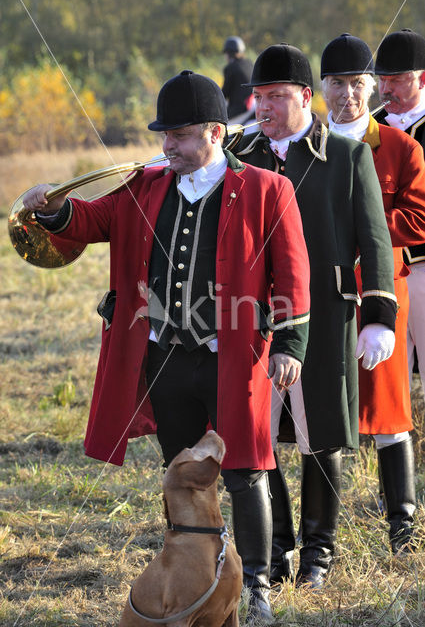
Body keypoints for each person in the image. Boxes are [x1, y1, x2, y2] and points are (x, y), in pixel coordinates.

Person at [23, 69, 311, 620]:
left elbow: (292, 273)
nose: (166, 146)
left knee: (247, 470)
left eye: (178, 135)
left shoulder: (266, 190)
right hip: (166, 359)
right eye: (164, 135)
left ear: (214, 133)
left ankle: (257, 586)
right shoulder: (146, 185)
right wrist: (55, 209)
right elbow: (91, 218)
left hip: (235, 357)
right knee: (181, 471)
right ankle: (191, 570)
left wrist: (290, 343)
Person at [228, 43, 397, 589]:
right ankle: (275, 549)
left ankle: (318, 554)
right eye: (259, 97)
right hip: (254, 318)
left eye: (277, 96)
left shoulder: (347, 157)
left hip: (325, 315)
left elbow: (374, 241)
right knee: (259, 436)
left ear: (306, 96)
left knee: (319, 433)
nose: (266, 107)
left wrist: (378, 316)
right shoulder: (238, 156)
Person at [321, 33, 425, 553]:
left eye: (357, 83)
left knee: (388, 407)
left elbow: (420, 215)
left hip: (385, 288)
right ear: (320, 89)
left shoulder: (401, 147)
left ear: (371, 87)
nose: (348, 94)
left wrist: (365, 228)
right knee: (325, 409)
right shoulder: (306, 148)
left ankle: (403, 529)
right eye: (337, 84)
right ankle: (323, 537)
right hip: (324, 294)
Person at [374, 29, 425, 402]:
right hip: (383, 268)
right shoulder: (370, 127)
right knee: (388, 381)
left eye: (396, 79)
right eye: (381, 79)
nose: (386, 88)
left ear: (422, 78)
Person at [222, 35, 254, 121]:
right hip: (253, 102)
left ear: (228, 53)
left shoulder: (230, 68)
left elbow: (225, 93)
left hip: (240, 108)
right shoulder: (249, 63)